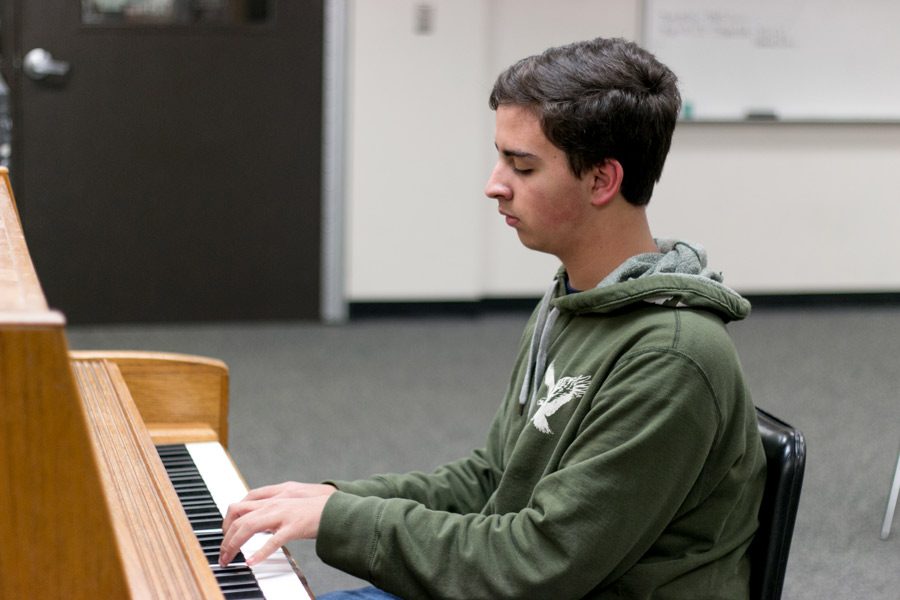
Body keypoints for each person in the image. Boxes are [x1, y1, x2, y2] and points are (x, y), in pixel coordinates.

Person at [218, 37, 767, 599]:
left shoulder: (670, 357)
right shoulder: (573, 299)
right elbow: (495, 477)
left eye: (522, 166)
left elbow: (539, 563)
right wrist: (338, 499)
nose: (494, 184)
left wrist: (344, 521)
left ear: (603, 180)